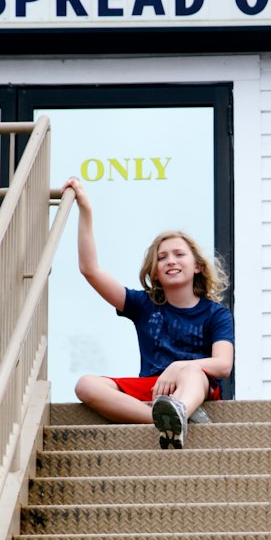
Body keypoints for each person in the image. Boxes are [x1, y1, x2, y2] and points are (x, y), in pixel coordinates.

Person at [61, 177, 234, 448]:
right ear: (154, 272)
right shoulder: (144, 305)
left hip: (195, 389)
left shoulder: (216, 314)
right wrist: (86, 209)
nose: (171, 261)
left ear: (197, 266)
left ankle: (180, 410)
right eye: (162, 257)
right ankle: (163, 420)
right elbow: (90, 270)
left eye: (179, 254)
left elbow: (223, 365)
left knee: (192, 373)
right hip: (154, 389)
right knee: (86, 385)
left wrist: (179, 366)